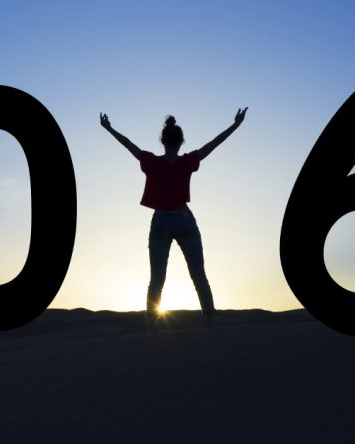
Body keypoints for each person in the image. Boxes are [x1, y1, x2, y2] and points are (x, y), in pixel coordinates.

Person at [100, 108, 247, 328]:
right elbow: (214, 144)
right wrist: (235, 125)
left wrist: (109, 128)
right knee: (198, 273)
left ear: (163, 141)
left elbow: (129, 145)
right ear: (181, 141)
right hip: (183, 220)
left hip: (161, 221)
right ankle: (210, 322)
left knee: (157, 278)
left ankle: (151, 325)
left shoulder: (152, 162)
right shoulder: (187, 161)